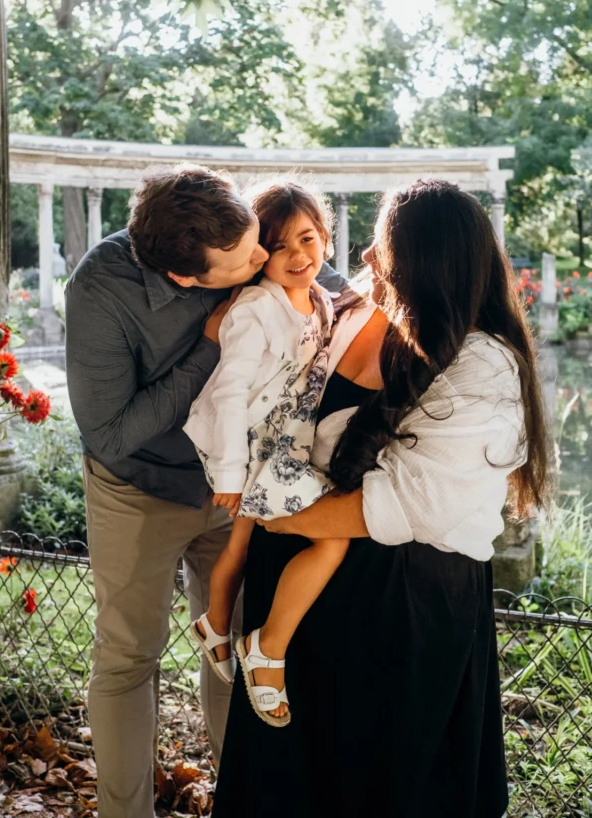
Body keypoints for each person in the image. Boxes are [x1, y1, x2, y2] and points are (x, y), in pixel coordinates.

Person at [212, 178, 551, 818]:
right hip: (306, 594)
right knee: (289, 784)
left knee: (380, 783)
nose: (366, 257)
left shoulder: (483, 365)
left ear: (425, 263)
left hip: (402, 613)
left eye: (383, 247)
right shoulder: (351, 307)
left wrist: (277, 517)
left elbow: (411, 502)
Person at [64, 164, 346, 818]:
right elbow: (110, 432)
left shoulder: (241, 237)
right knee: (129, 659)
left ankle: (242, 803)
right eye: (247, 259)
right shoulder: (101, 287)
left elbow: (326, 284)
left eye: (258, 244)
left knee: (238, 645)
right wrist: (210, 348)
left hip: (236, 493)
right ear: (188, 278)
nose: (262, 260)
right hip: (138, 485)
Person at [184, 181, 371, 727]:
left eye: (307, 239)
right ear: (258, 253)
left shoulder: (321, 300)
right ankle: (267, 648)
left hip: (284, 441)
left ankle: (214, 623)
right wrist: (229, 474)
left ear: (326, 240)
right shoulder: (255, 309)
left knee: (240, 544)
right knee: (332, 538)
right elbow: (228, 393)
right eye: (279, 245)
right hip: (250, 447)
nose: (297, 255)